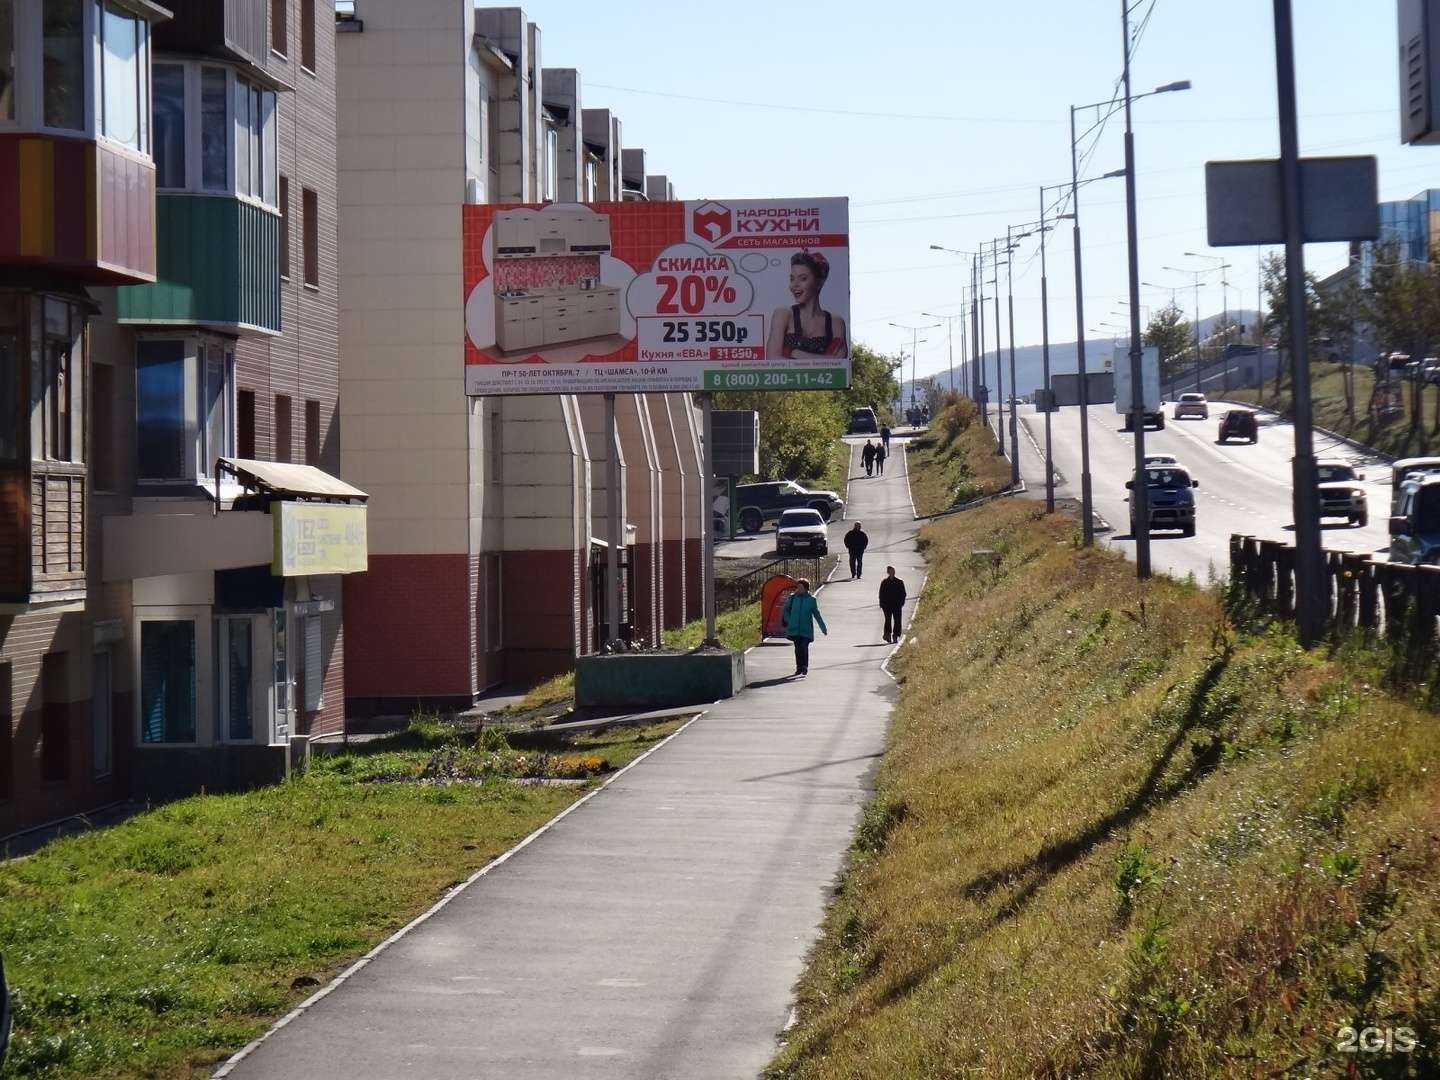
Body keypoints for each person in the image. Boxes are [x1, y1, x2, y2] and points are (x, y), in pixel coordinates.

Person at [766, 251, 849, 359]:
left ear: (819, 282)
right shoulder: (783, 314)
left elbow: (838, 364)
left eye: (803, 278)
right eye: (792, 279)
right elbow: (773, 359)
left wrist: (794, 353)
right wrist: (824, 358)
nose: (794, 285)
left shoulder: (836, 322)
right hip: (788, 377)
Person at [782, 578, 827, 679]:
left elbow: (816, 614)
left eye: (801, 587)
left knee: (804, 647)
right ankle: (798, 667)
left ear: (806, 588)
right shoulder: (793, 598)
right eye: (797, 587)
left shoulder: (811, 600)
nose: (798, 589)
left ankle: (804, 667)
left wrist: (823, 627)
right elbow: (786, 610)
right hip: (794, 628)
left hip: (806, 629)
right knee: (797, 649)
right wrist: (789, 620)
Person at [879, 566, 907, 644]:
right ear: (888, 572)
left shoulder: (899, 582)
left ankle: (895, 635)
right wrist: (882, 603)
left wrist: (901, 603)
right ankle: (887, 634)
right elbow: (881, 594)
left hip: (897, 604)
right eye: (891, 571)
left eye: (893, 571)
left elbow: (903, 593)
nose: (892, 572)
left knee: (897, 620)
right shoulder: (884, 582)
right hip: (887, 605)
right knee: (888, 620)